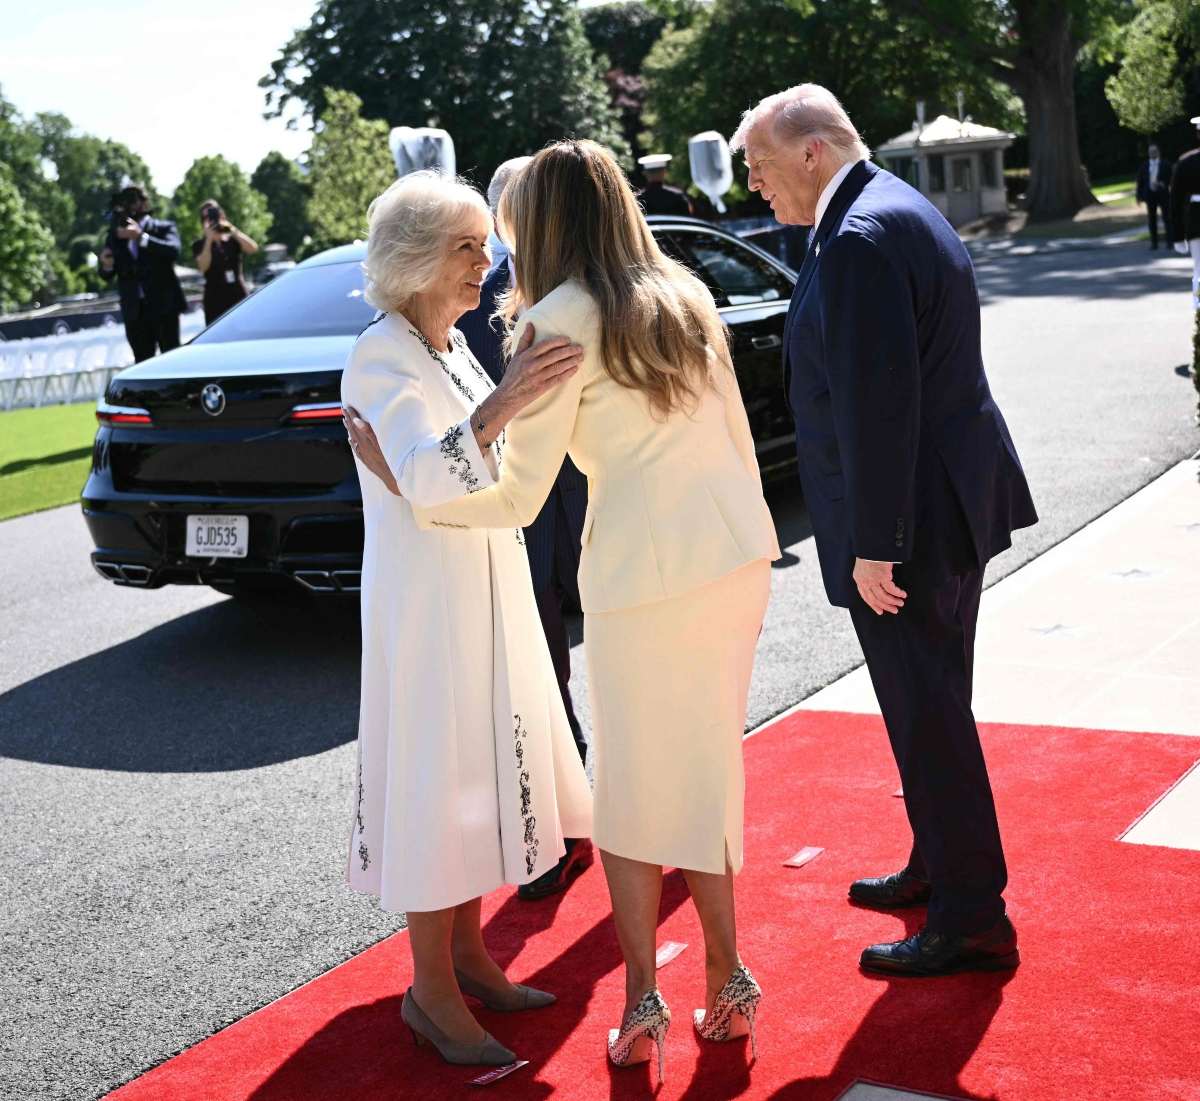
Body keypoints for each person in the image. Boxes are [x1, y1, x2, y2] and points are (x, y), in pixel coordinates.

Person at [351, 139, 780, 1085]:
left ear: (538, 224)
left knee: (628, 793)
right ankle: (730, 976)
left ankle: (640, 1002)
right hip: (737, 555)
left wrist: (408, 485)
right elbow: (740, 439)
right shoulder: (684, 292)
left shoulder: (553, 321)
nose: (490, 256)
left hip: (644, 581)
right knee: (707, 769)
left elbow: (514, 499)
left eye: (496, 235)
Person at [732, 84, 1037, 977]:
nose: (755, 184)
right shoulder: (890, 207)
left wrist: (876, 544)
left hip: (911, 525)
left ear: (813, 152)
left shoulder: (861, 236)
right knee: (928, 702)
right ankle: (941, 863)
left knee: (929, 709)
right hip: (944, 503)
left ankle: (971, 913)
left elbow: (879, 407)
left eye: (760, 165)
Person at [338, 170, 592, 1067]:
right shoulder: (382, 353)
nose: (488, 261)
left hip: (479, 576)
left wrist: (505, 411)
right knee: (437, 774)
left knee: (481, 770)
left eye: (488, 243)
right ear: (412, 260)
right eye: (467, 246)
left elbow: (465, 468)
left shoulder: (445, 346)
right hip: (427, 602)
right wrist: (504, 401)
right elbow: (429, 475)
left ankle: (473, 955)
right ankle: (430, 991)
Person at [457, 155, 594, 902]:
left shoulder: (579, 275)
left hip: (588, 482)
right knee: (539, 654)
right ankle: (561, 820)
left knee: (613, 636)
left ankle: (644, 806)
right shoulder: (467, 287)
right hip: (521, 490)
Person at [97, 185, 187, 362]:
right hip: (135, 311)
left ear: (144, 203)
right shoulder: (116, 236)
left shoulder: (163, 228)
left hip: (163, 307)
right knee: (143, 361)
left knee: (172, 357)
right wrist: (106, 264)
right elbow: (107, 274)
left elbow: (173, 251)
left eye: (133, 200)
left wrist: (140, 237)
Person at [192, 200, 259, 324]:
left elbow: (253, 248)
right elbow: (203, 267)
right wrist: (209, 239)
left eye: (214, 214)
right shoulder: (199, 245)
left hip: (238, 293)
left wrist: (231, 229)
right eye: (206, 217)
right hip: (214, 298)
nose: (211, 219)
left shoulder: (232, 240)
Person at [1170, 117, 1200, 307]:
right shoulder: (1186, 162)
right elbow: (1176, 201)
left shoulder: (1186, 162)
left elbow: (1176, 202)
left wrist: (1178, 235)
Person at [1136, 143, 1174, 251]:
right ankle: (1154, 243)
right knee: (1152, 220)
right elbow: (1140, 182)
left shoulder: (1166, 164)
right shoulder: (1144, 166)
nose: (1152, 153)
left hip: (1163, 195)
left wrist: (1163, 184)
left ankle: (1170, 242)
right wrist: (1139, 197)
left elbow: (1172, 179)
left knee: (1167, 218)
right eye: (1150, 151)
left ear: (1158, 152)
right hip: (1150, 195)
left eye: (1154, 151)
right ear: (1148, 153)